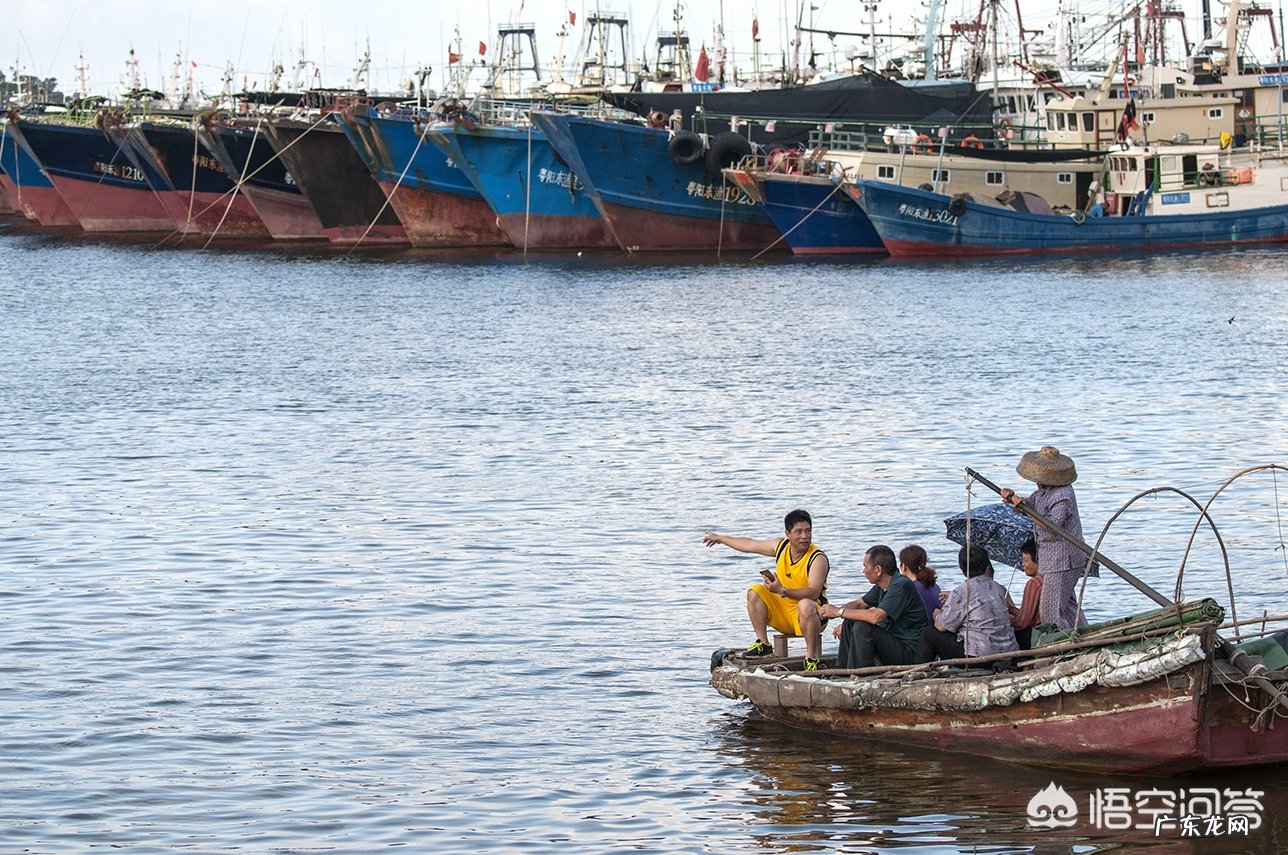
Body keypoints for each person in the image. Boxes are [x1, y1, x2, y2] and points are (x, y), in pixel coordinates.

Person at [703, 509, 829, 670]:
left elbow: (813, 592)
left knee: (805, 604)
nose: (804, 536)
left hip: (811, 615)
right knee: (755, 591)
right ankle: (763, 644)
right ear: (788, 534)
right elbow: (749, 544)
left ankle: (812, 659)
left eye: (808, 531)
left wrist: (782, 590)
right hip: (784, 612)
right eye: (798, 532)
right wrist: (721, 538)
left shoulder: (817, 558)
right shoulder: (781, 547)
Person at [1000, 446, 1089, 631]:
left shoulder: (1063, 495)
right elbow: (1030, 503)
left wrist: (1030, 513)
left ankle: (1061, 645)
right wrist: (1015, 500)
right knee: (1067, 604)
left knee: (1050, 608)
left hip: (1064, 558)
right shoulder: (1042, 491)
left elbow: (1053, 523)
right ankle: (1083, 634)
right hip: (1050, 557)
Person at [820, 544, 927, 669]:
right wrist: (833, 612)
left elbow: (876, 617)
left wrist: (839, 612)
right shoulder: (882, 586)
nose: (863, 571)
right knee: (850, 622)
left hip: (908, 652)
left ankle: (858, 674)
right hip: (892, 645)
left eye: (865, 566)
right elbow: (859, 604)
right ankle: (843, 670)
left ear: (878, 570)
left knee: (863, 627)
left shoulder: (901, 585)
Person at [915, 545, 1019, 663]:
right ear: (986, 565)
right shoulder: (1000, 588)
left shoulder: (961, 591)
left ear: (962, 568)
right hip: (1009, 652)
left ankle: (920, 671)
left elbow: (941, 626)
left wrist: (938, 615)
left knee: (929, 633)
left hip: (980, 656)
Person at [1009, 538, 1044, 649]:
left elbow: (1023, 622)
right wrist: (1012, 609)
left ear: (1037, 560)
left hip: (1037, 634)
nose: (1023, 564)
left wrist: (1006, 621)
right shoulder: (1049, 579)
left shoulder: (1034, 584)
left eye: (1025, 560)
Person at [899, 544, 941, 621]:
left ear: (904, 566)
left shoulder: (909, 588)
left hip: (921, 630)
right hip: (935, 627)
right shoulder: (934, 585)